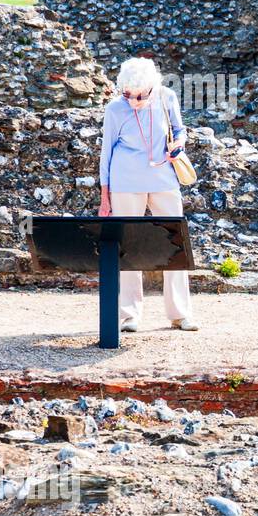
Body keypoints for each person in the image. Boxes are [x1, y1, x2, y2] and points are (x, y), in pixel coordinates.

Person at [98, 57, 199, 332]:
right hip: (124, 182)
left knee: (175, 242)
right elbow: (106, 153)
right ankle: (129, 314)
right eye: (128, 95)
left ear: (152, 88)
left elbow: (180, 130)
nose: (133, 101)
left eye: (139, 96)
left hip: (164, 179)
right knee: (127, 248)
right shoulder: (115, 109)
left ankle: (180, 313)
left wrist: (178, 144)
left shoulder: (166, 97)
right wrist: (104, 198)